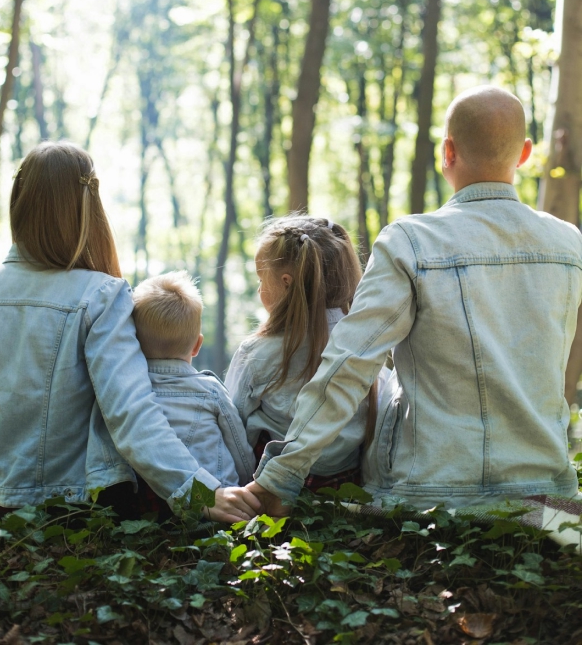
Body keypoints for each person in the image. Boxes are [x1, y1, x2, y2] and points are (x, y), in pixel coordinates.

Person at [248, 86, 582, 513]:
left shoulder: (410, 241)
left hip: (429, 492)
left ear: (447, 151)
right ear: (525, 154)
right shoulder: (568, 244)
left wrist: (282, 476)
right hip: (547, 493)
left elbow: (349, 364)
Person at [0, 142, 260, 523]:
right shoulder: (100, 296)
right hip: (78, 512)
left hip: (1, 507)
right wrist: (201, 493)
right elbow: (132, 414)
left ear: (18, 201)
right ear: (87, 209)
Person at [226, 215, 389, 491]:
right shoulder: (367, 347)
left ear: (286, 283)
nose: (259, 289)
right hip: (345, 488)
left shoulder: (257, 353)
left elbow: (233, 426)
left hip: (269, 488)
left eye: (261, 279)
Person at [131, 271, 255, 512]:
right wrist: (246, 484)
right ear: (197, 345)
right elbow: (239, 448)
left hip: (153, 507)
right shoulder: (210, 390)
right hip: (218, 500)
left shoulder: (129, 392)